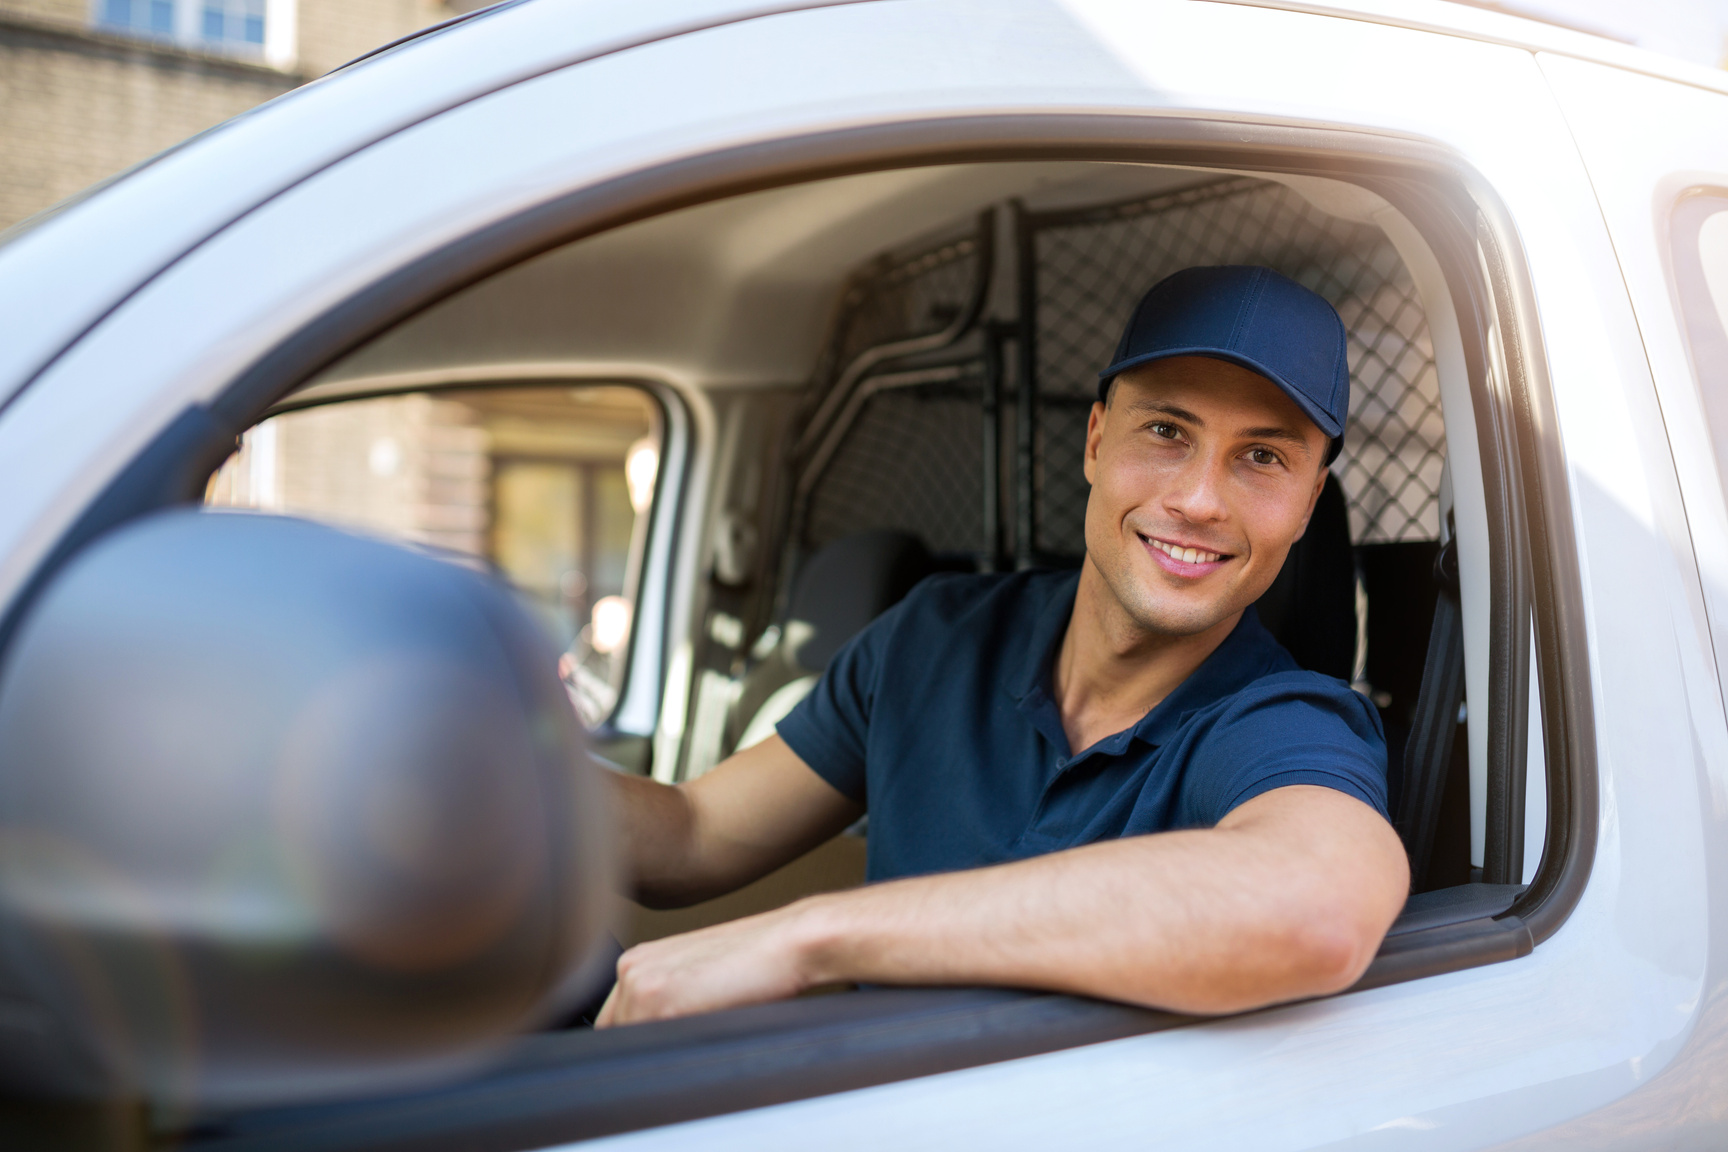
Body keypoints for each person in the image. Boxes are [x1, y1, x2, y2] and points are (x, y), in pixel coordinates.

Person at [595, 265, 1409, 1028]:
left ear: (1307, 506)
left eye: (1262, 457)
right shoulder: (935, 635)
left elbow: (1320, 907)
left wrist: (806, 938)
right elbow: (695, 830)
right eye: (1166, 430)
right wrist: (497, 778)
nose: (1198, 499)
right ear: (1095, 441)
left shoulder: (1284, 722)